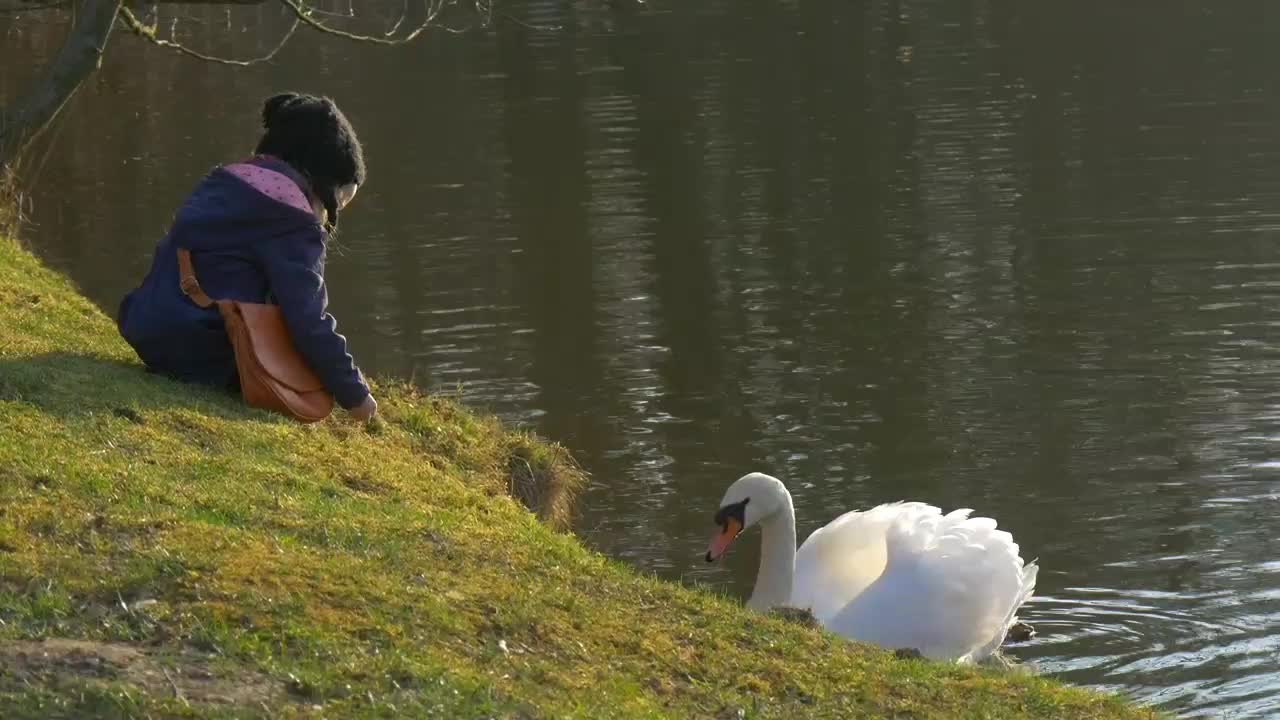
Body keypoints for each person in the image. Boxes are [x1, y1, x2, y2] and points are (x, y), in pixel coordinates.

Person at [116, 92, 377, 421]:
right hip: (205, 352)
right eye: (335, 204)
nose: (328, 217)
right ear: (322, 184)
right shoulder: (291, 219)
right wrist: (355, 395)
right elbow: (309, 318)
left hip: (150, 330)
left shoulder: (222, 184)